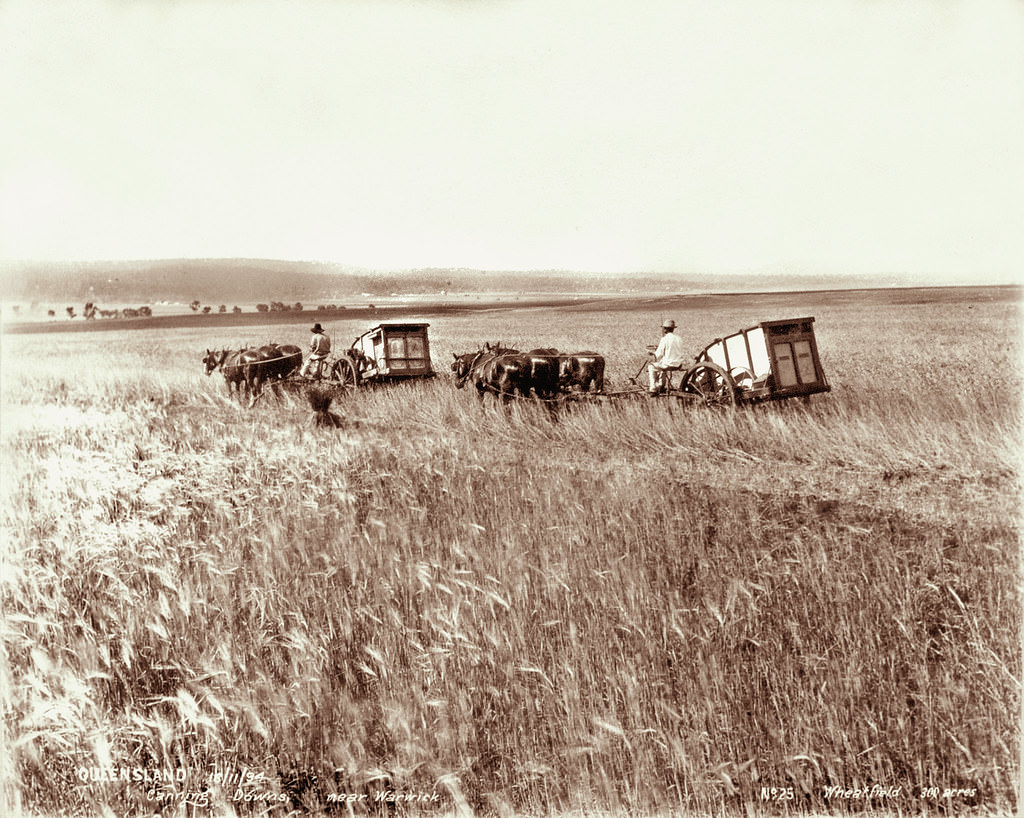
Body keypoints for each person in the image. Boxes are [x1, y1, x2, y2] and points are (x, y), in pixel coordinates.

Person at [648, 318, 687, 394]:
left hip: (669, 364)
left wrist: (652, 353)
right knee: (663, 363)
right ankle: (661, 385)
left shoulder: (664, 339)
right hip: (678, 364)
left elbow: (658, 355)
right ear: (673, 329)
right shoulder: (679, 338)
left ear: (665, 329)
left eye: (663, 328)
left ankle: (653, 388)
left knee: (651, 366)